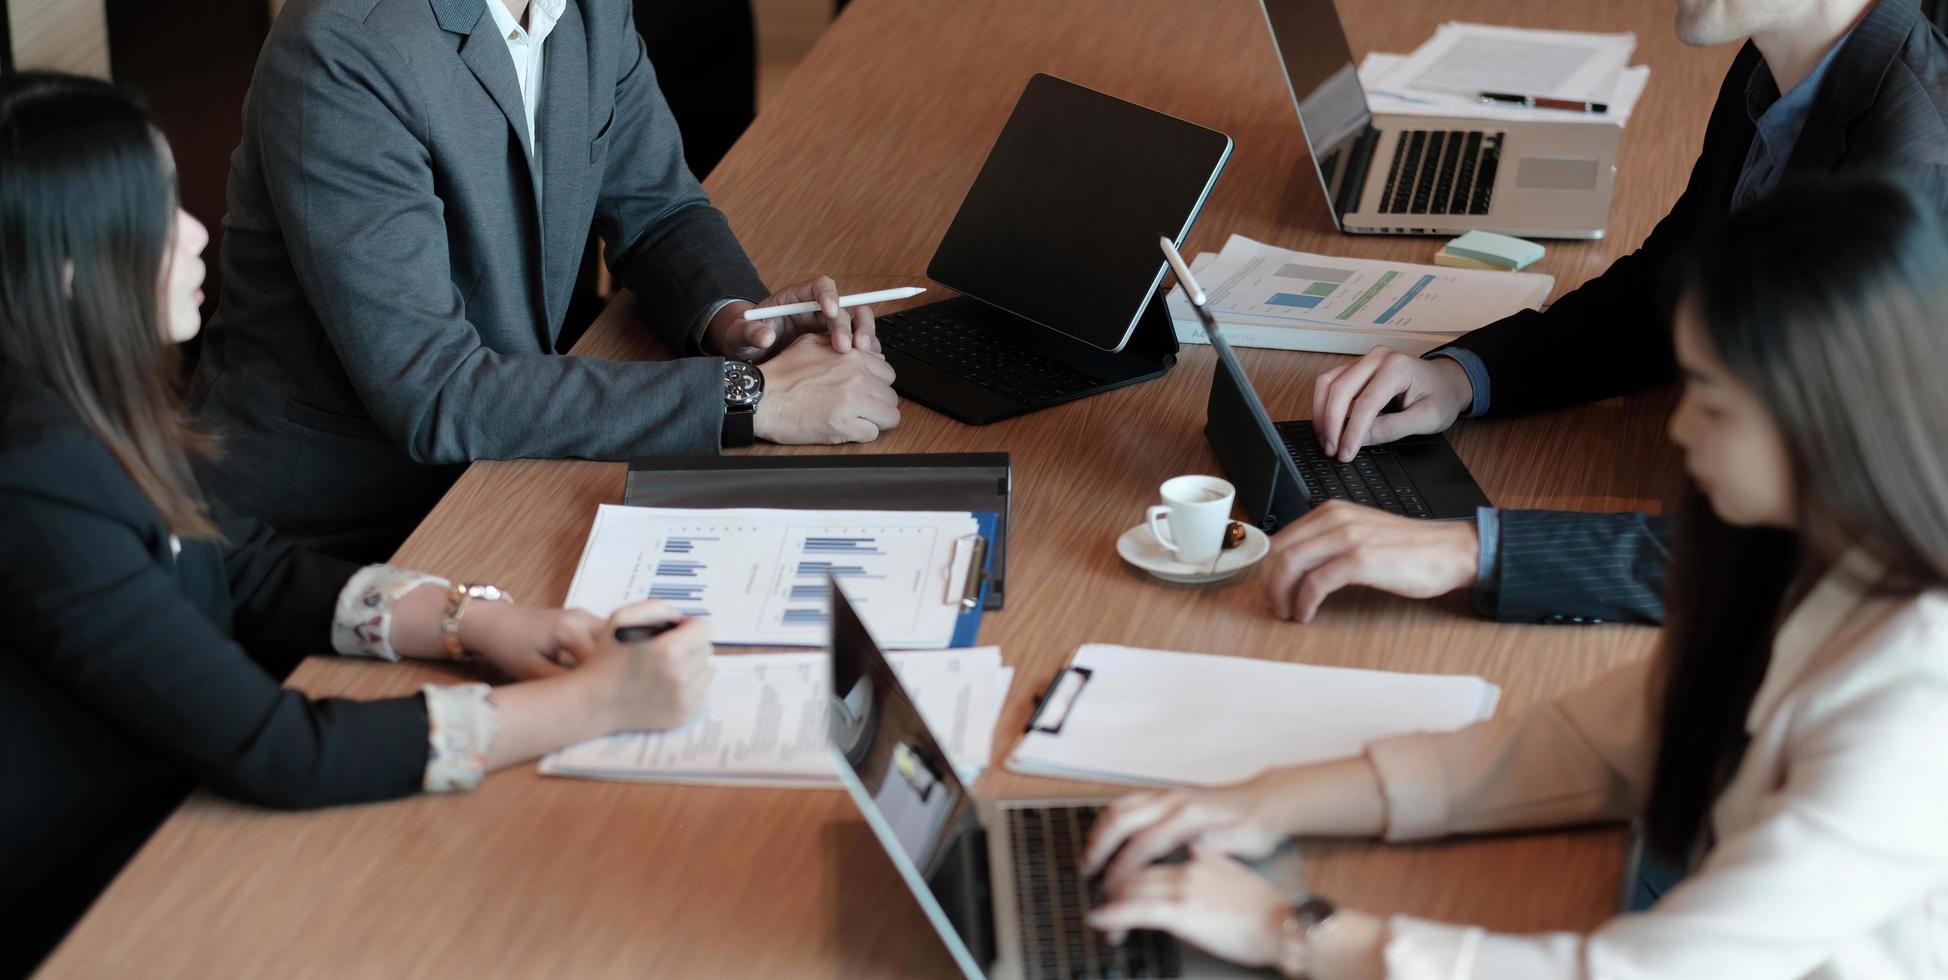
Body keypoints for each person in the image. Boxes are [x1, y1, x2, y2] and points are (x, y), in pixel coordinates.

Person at [1079, 176, 1948, 978]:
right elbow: (1587, 747)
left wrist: (1294, 929)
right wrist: (1266, 804)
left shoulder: (1912, 705)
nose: (1681, 429)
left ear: (1830, 424)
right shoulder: (1798, 562)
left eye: (1714, 402)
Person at [0, 73, 714, 974]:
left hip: (179, 820)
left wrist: (475, 620)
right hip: (104, 899)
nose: (194, 234)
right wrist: (590, 703)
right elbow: (277, 751)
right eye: (155, 213)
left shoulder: (81, 403)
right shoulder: (35, 480)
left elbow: (246, 567)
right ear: (68, 270)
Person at [1270, 0, 1948, 626]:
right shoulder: (1776, 64)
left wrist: (1470, 551)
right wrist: (1463, 378)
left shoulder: (1915, 165)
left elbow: (1814, 552)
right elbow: (1668, 286)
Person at [185, 0, 902, 561]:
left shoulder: (588, 8)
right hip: (337, 530)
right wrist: (749, 398)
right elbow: (434, 391)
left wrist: (738, 323)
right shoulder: (346, 46)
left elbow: (658, 211)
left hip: (507, 462)